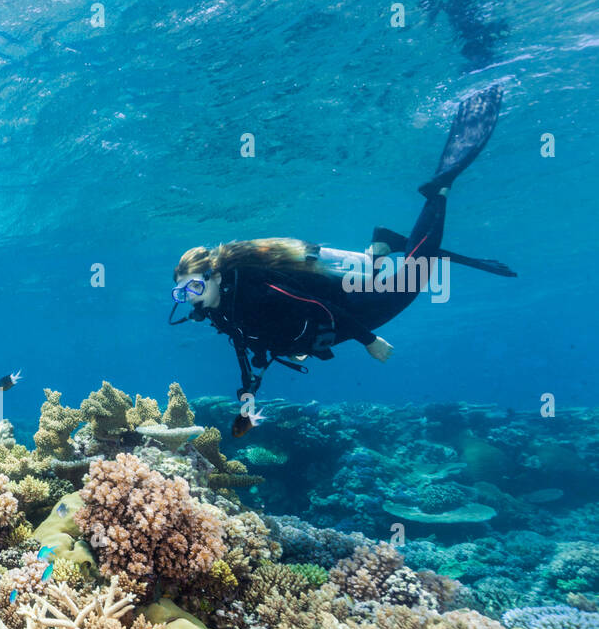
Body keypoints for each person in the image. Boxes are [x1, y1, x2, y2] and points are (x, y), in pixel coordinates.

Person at [169, 86, 515, 437]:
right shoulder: (219, 309)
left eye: (195, 286)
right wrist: (247, 401)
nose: (191, 298)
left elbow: (317, 304)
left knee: (414, 277)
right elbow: (244, 350)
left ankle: (439, 191)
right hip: (330, 328)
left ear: (214, 276)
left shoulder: (253, 291)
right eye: (182, 293)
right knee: (404, 274)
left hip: (353, 309)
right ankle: (379, 249)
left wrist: (369, 341)